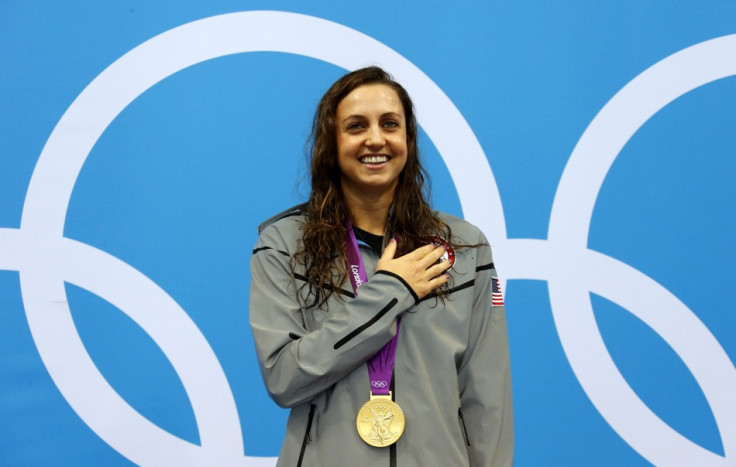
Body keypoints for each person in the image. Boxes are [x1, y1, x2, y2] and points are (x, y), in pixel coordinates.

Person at [249, 66, 513, 466]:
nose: (376, 139)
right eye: (356, 126)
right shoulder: (284, 245)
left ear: (408, 139)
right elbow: (285, 378)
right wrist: (391, 292)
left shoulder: (465, 248)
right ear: (331, 143)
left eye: (390, 124)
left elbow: (487, 396)